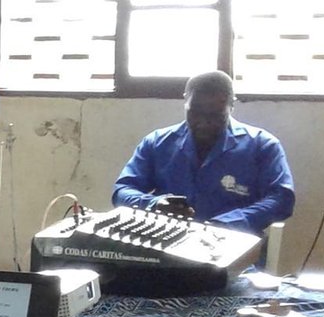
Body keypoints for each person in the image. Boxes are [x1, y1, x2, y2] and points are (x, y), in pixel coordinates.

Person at [113, 69, 295, 236]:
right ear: (185, 101)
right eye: (195, 113)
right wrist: (154, 204)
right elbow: (122, 191)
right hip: (167, 246)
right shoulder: (157, 143)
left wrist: (231, 222)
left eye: (215, 116)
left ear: (232, 105)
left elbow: (281, 200)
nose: (203, 122)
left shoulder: (262, 146)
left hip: (233, 247)